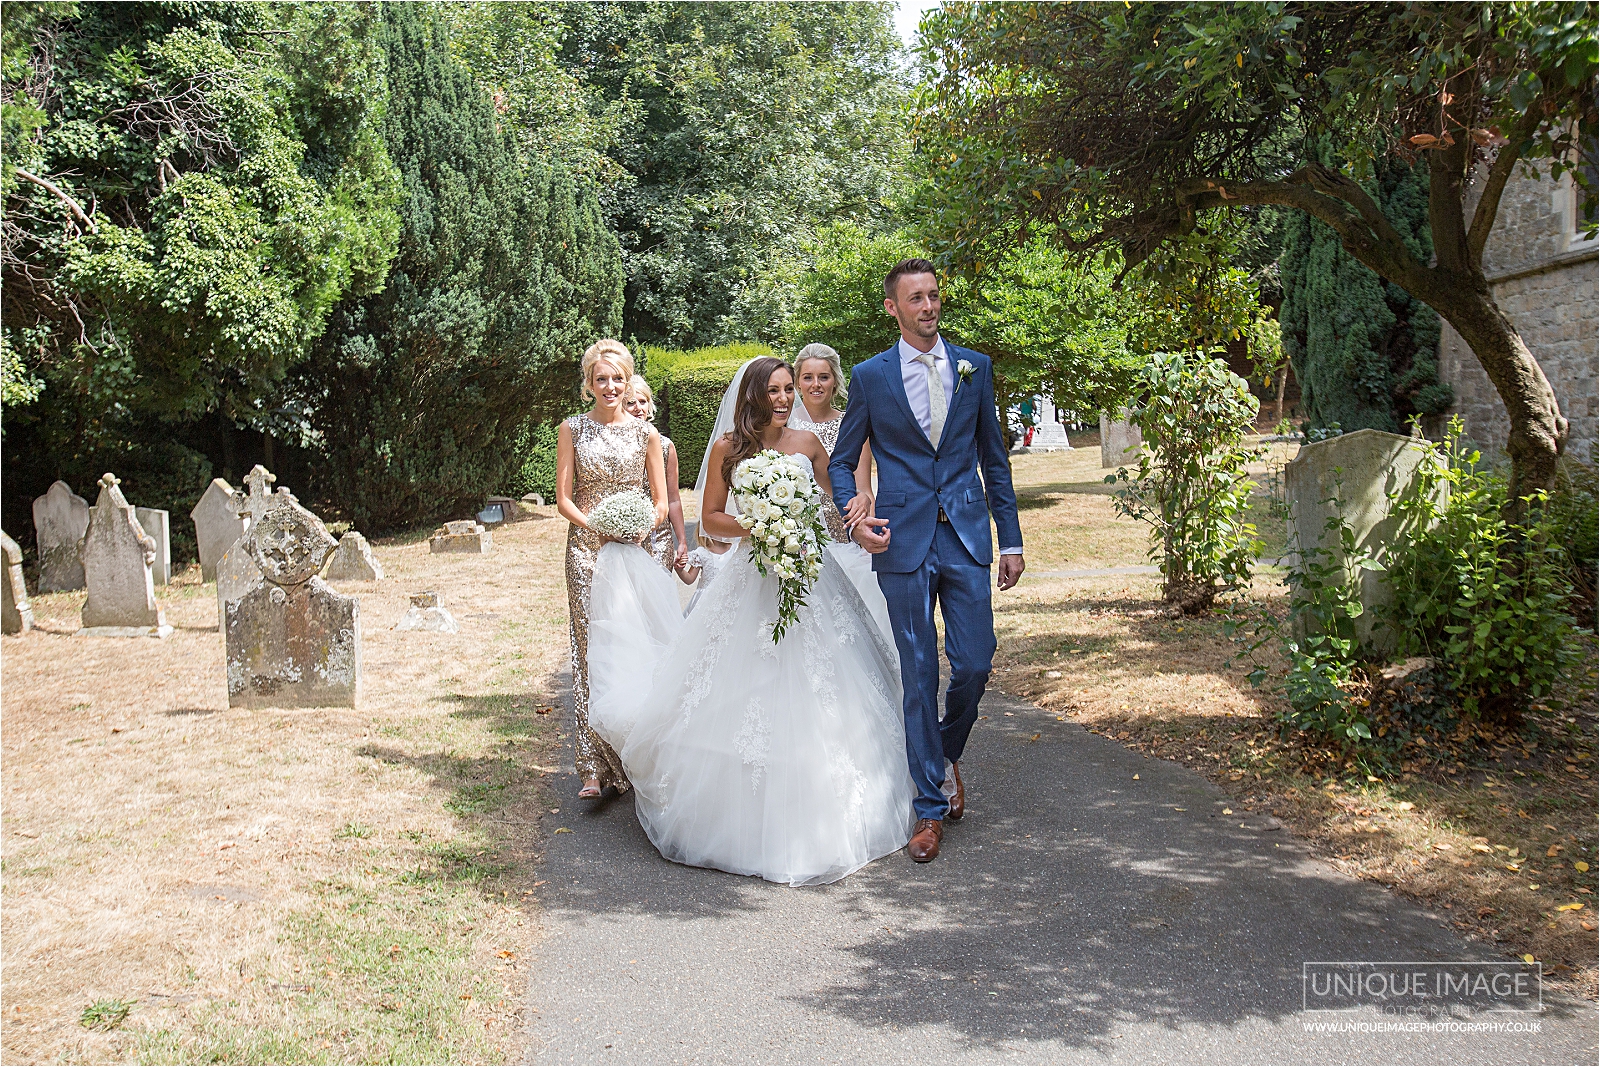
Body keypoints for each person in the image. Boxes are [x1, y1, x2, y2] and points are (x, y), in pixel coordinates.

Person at [584, 357, 913, 886]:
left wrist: (857, 528)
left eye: (790, 390)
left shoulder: (807, 445)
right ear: (754, 396)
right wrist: (758, 524)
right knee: (741, 685)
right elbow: (709, 517)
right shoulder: (728, 449)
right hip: (752, 575)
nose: (786, 399)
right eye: (777, 391)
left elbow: (836, 507)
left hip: (811, 574)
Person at [828, 258, 1025, 864]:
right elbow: (842, 461)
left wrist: (1010, 538)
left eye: (934, 296)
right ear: (893, 307)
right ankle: (928, 808)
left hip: (965, 537)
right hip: (902, 542)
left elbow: (994, 458)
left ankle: (941, 752)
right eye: (915, 298)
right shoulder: (870, 376)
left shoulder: (975, 369)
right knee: (918, 672)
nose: (928, 306)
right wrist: (856, 516)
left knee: (974, 662)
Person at [555, 339, 669, 800]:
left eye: (617, 378)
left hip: (634, 551)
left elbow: (661, 503)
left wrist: (639, 527)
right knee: (588, 649)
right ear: (588, 384)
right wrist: (598, 527)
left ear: (628, 381)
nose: (610, 386)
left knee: (634, 648)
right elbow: (564, 498)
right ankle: (590, 764)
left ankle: (633, 757)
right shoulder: (572, 429)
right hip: (586, 551)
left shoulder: (647, 436)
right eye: (600, 378)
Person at [787, 343, 895, 649]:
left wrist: (862, 530)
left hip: (844, 537)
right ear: (797, 381)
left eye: (823, 376)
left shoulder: (853, 422)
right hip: (799, 540)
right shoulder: (784, 425)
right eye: (808, 377)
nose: (816, 384)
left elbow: (863, 488)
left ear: (835, 379)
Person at [625, 376, 689, 574]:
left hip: (658, 538)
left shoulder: (665, 446)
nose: (638, 408)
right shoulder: (612, 447)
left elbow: (673, 498)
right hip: (623, 537)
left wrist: (682, 541)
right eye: (630, 402)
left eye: (643, 401)